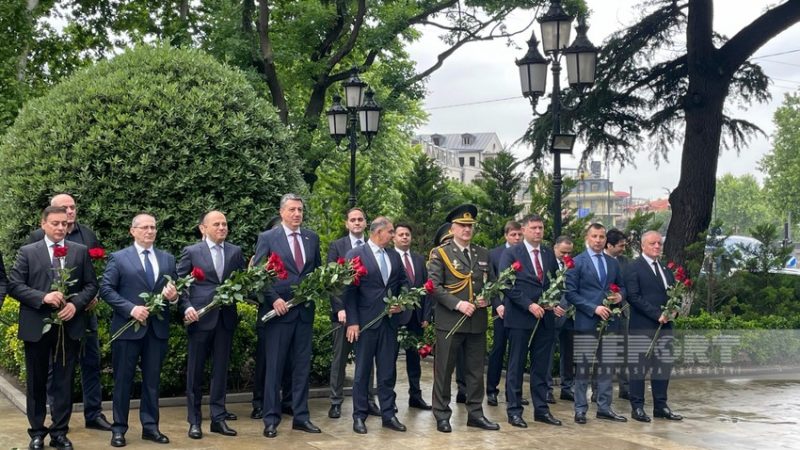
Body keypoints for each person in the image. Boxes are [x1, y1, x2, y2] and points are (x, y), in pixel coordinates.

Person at [9, 206, 98, 450]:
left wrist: (76, 305)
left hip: (68, 326)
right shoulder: (28, 252)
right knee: (36, 381)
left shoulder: (79, 252)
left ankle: (59, 432)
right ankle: (37, 432)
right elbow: (15, 285)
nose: (61, 228)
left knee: (64, 381)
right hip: (37, 324)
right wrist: (43, 297)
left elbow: (91, 285)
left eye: (64, 224)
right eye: (55, 223)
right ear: (44, 224)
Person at [26, 193, 110, 431]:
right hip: (51, 317)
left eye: (72, 208)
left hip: (82, 314)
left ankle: (93, 414)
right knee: (56, 369)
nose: (69, 213)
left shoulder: (87, 236)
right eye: (64, 209)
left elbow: (94, 275)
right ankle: (55, 420)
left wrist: (89, 298)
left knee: (91, 362)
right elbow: (31, 277)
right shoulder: (35, 239)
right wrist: (46, 298)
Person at [101, 213, 179, 447]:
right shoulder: (119, 258)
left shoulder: (167, 259)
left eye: (153, 227)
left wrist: (174, 297)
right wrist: (130, 309)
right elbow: (106, 289)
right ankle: (119, 429)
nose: (149, 231)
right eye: (144, 227)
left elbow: (174, 289)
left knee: (152, 382)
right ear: (132, 231)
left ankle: (151, 427)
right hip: (128, 329)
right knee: (123, 380)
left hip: (156, 330)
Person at [252, 193, 322, 439]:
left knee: (302, 367)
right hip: (279, 314)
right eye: (292, 210)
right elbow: (259, 275)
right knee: (275, 368)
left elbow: (316, 274)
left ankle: (301, 417)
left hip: (304, 314)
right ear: (282, 212)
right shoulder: (268, 238)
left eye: (300, 210)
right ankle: (271, 419)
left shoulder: (311, 238)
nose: (297, 214)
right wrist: (274, 299)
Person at [427, 204, 498, 433]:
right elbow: (434, 287)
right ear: (453, 228)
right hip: (449, 321)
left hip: (476, 322)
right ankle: (442, 414)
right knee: (444, 370)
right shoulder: (441, 253)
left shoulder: (482, 253)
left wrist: (488, 297)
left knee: (476, 372)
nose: (467, 230)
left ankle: (475, 414)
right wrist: (458, 304)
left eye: (470, 226)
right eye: (462, 226)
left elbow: (492, 284)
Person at [179, 211, 246, 439]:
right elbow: (180, 285)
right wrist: (186, 307)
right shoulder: (191, 252)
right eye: (216, 224)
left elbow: (242, 281)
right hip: (200, 318)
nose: (222, 228)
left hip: (225, 319)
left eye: (224, 224)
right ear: (203, 228)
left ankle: (218, 418)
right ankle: (194, 420)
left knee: (220, 371)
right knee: (195, 372)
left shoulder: (235, 252)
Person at [344, 217, 409, 434]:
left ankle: (389, 414)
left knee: (387, 371)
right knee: (362, 372)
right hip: (365, 324)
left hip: (389, 325)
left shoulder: (393, 256)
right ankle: (359, 416)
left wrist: (401, 303)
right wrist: (352, 322)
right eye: (390, 232)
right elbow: (349, 292)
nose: (393, 236)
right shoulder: (356, 255)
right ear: (378, 232)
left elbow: (404, 283)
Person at [499, 214, 562, 428]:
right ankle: (514, 411)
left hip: (545, 318)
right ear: (524, 229)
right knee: (516, 365)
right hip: (520, 317)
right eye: (534, 228)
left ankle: (541, 410)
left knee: (541, 366)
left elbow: (556, 280)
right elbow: (506, 284)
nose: (538, 232)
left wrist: (551, 301)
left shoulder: (547, 253)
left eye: (541, 228)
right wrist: (529, 304)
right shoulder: (511, 253)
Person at [565, 223, 627, 425]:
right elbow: (571, 293)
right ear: (587, 237)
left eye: (601, 236)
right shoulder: (576, 262)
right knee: (583, 367)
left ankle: (604, 407)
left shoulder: (613, 263)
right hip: (587, 322)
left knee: (606, 367)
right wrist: (593, 308)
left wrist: (620, 296)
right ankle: (580, 409)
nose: (598, 240)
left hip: (610, 322)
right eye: (595, 236)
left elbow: (623, 287)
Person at [327, 208, 380, 419]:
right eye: (353, 220)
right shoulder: (337, 246)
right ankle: (336, 401)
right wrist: (340, 308)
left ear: (366, 224)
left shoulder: (372, 247)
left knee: (367, 360)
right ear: (346, 224)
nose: (357, 223)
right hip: (343, 315)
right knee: (339, 359)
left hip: (367, 315)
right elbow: (332, 281)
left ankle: (368, 400)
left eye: (360, 220)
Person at [625, 230, 683, 422]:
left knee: (662, 367)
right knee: (639, 368)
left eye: (659, 243)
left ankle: (660, 406)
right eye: (653, 243)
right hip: (643, 327)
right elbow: (634, 297)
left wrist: (674, 310)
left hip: (665, 328)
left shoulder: (666, 270)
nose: (657, 246)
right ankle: (638, 407)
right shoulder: (634, 267)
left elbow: (675, 294)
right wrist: (657, 314)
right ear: (643, 246)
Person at [251, 215, 293, 419]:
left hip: (290, 312)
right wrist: (272, 299)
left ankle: (287, 401)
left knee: (288, 362)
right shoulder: (262, 255)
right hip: (269, 313)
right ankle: (259, 402)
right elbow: (255, 286)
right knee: (265, 362)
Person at [392, 222, 433, 410]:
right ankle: (389, 399)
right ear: (394, 237)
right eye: (400, 234)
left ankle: (415, 396)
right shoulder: (390, 257)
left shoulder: (418, 259)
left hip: (416, 318)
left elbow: (427, 289)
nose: (404, 237)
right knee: (389, 359)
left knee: (414, 360)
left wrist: (426, 315)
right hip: (395, 318)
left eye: (407, 234)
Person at [486, 221, 525, 407]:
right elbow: (492, 283)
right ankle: (492, 390)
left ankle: (514, 392)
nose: (517, 238)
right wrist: (497, 305)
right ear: (506, 236)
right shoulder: (494, 254)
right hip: (501, 310)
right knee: (498, 349)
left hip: (520, 310)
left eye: (519, 235)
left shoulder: (526, 253)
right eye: (513, 235)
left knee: (517, 353)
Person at [547, 235, 575, 402]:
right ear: (555, 248)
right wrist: (552, 305)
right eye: (563, 252)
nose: (566, 256)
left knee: (569, 353)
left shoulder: (572, 266)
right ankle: (547, 388)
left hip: (570, 315)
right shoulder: (547, 263)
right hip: (552, 313)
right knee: (549, 353)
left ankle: (567, 387)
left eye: (569, 253)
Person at [605, 228, 630, 400]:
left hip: (622, 312)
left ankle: (625, 388)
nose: (623, 249)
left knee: (624, 351)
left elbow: (628, 285)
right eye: (620, 246)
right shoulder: (600, 261)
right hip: (604, 312)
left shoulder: (626, 262)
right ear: (609, 245)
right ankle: (598, 390)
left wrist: (622, 295)